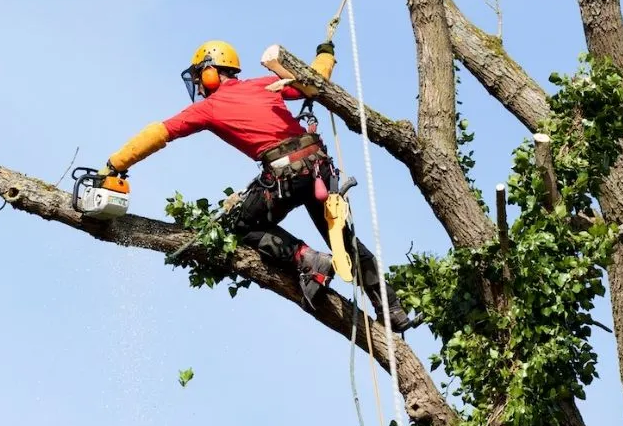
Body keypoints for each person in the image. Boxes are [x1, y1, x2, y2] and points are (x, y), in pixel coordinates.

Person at [99, 39, 416, 332]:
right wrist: (326, 53)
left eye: (199, 76)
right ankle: (392, 309)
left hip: (285, 173)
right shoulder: (265, 84)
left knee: (239, 224)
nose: (198, 84)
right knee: (344, 242)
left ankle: (307, 259)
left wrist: (116, 163)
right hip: (317, 167)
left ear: (211, 71)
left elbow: (161, 132)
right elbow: (316, 80)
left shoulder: (209, 107)